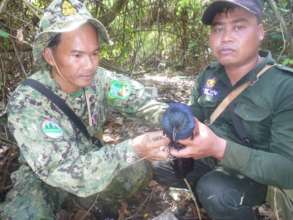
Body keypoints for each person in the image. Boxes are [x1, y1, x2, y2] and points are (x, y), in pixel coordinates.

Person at [0, 0, 170, 219]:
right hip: (46, 177)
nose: (90, 65)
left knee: (139, 171)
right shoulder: (28, 102)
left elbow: (138, 99)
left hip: (94, 162)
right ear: (50, 56)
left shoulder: (99, 80)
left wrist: (168, 115)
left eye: (95, 53)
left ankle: (91, 203)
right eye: (77, 55)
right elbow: (61, 171)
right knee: (28, 214)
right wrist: (134, 149)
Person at [153, 0, 293, 219]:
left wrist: (219, 148)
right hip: (211, 158)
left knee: (214, 191)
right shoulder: (210, 75)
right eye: (218, 28)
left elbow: (288, 170)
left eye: (238, 26)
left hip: (260, 176)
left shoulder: (285, 86)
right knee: (160, 164)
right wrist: (178, 121)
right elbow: (198, 111)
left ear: (260, 32)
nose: (226, 37)